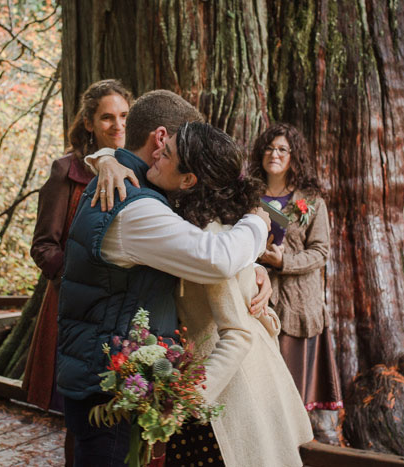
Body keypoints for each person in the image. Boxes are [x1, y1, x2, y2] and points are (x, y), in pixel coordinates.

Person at [57, 90, 272, 467]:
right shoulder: (136, 205)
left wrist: (256, 269)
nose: (163, 154)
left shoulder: (137, 191)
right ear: (160, 139)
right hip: (107, 390)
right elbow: (215, 257)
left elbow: (201, 249)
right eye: (171, 144)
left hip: (107, 381)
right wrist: (259, 220)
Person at [158, 122, 313, 467]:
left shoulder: (209, 236)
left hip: (226, 389)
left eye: (165, 152)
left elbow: (237, 335)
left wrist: (188, 402)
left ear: (190, 180)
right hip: (235, 376)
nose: (155, 155)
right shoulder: (208, 224)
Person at [25, 79, 133, 464]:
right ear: (89, 122)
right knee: (79, 418)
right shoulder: (66, 171)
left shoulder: (140, 169)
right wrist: (77, 277)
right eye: (107, 117)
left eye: (123, 115)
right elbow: (43, 245)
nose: (117, 124)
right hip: (71, 310)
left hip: (123, 313)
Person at [250, 123, 343, 444]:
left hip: (297, 305)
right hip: (254, 300)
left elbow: (320, 252)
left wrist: (284, 262)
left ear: (293, 156)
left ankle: (301, 445)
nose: (273, 154)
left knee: (292, 382)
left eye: (281, 149)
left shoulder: (311, 201)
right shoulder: (248, 195)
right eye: (268, 148)